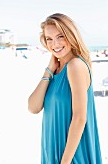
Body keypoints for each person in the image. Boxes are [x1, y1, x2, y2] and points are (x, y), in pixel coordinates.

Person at [28, 13, 102, 164]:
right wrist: (49, 70)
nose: (55, 44)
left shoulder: (75, 65)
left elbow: (80, 118)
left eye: (60, 36)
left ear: (71, 35)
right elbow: (33, 107)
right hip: (53, 151)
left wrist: (65, 162)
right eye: (49, 39)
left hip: (71, 155)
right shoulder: (56, 70)